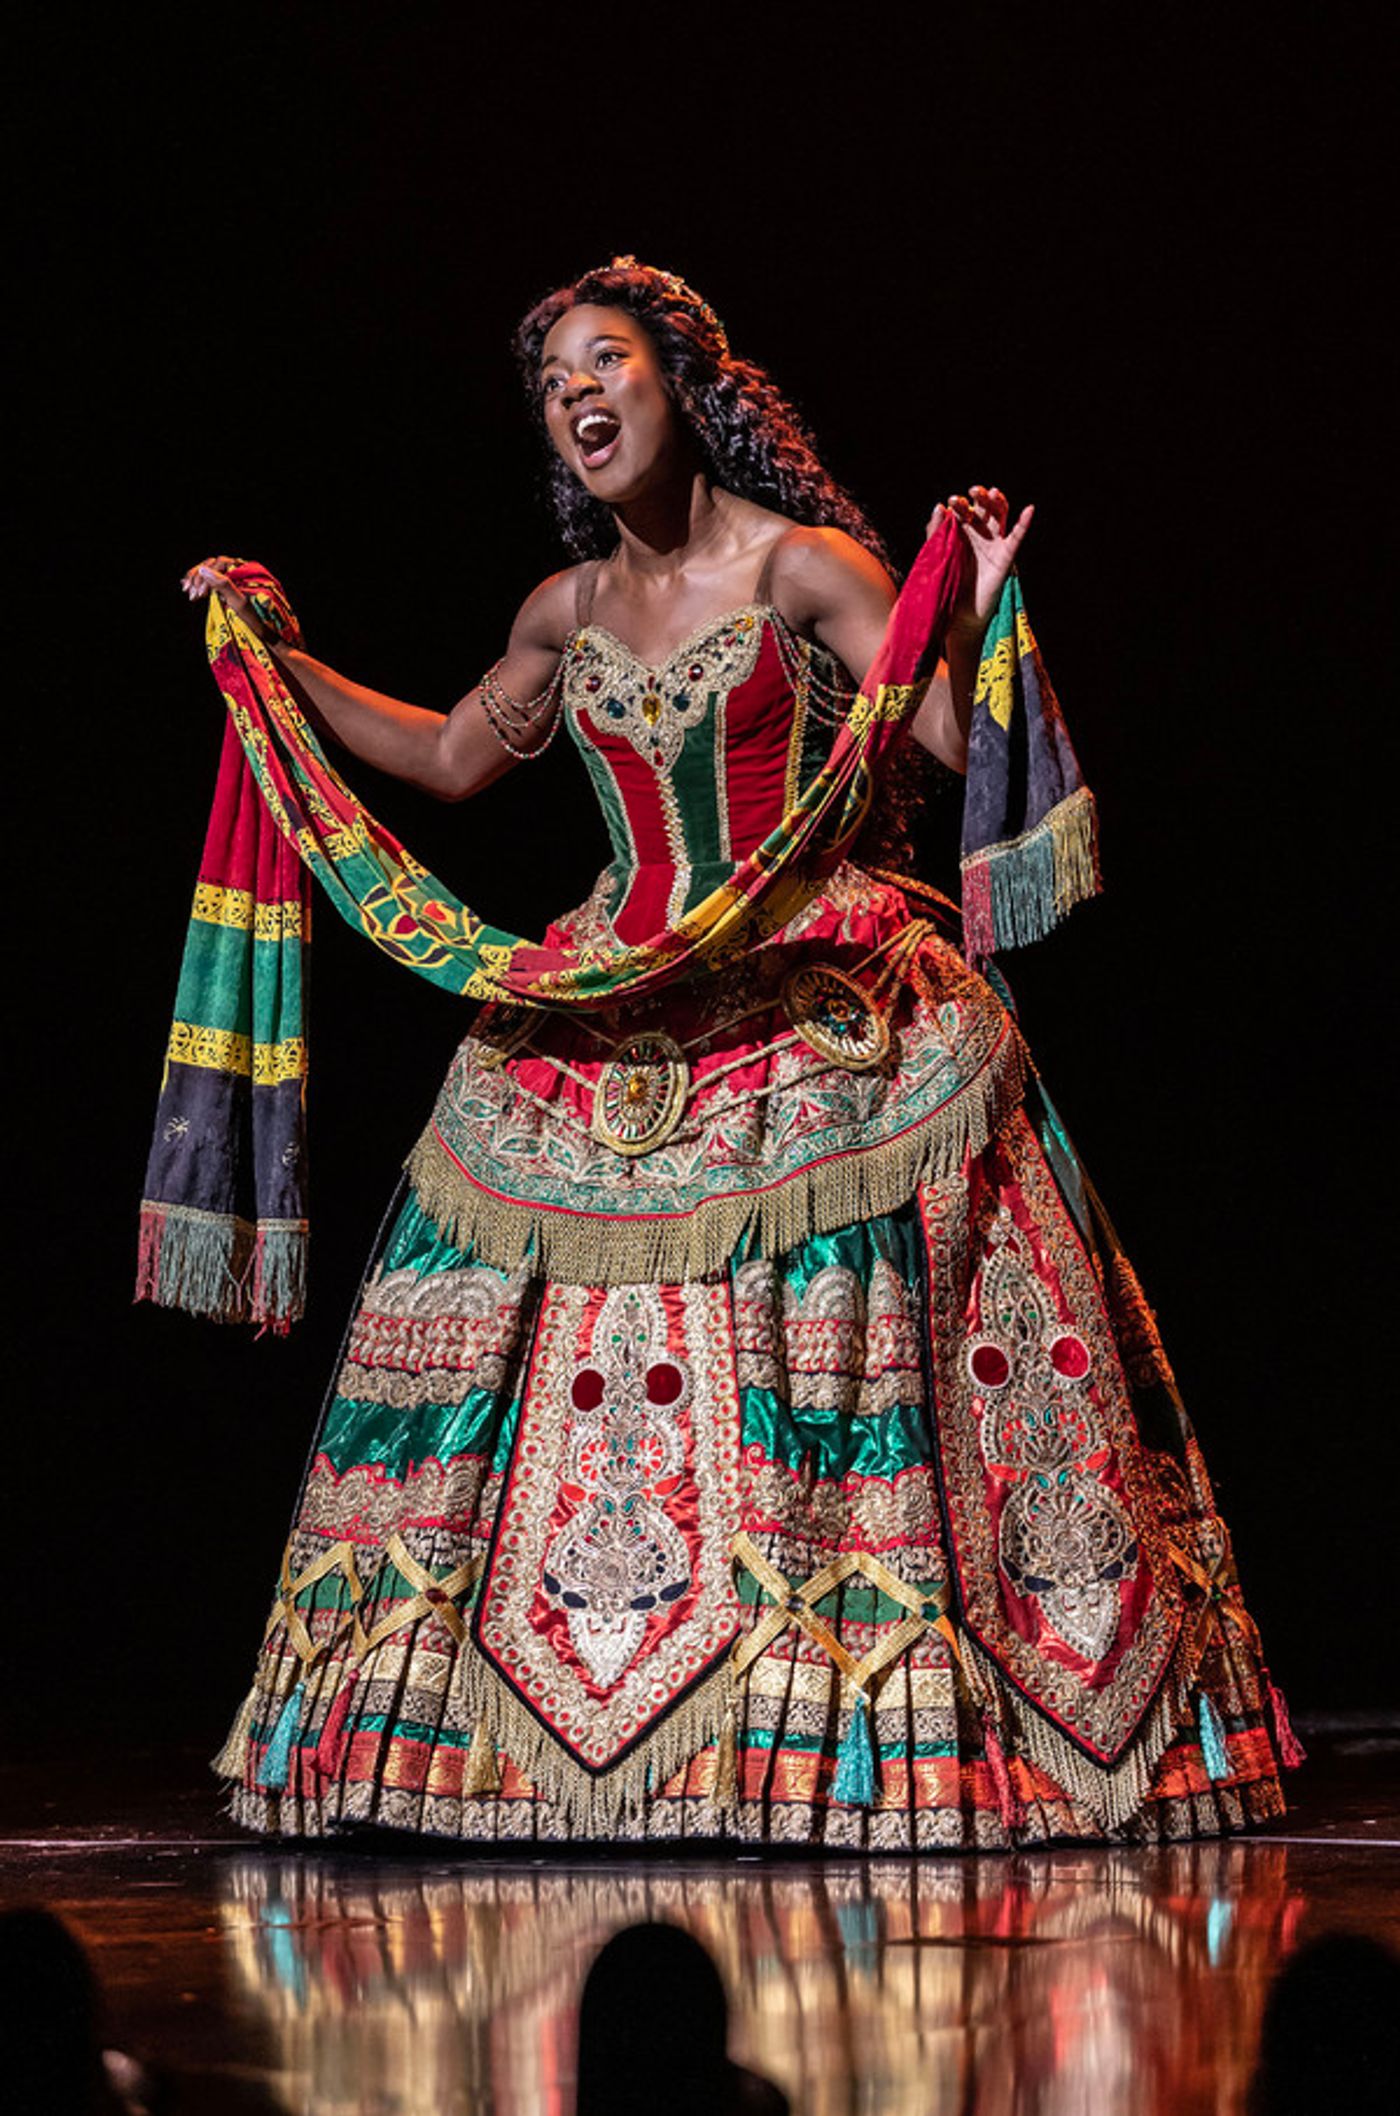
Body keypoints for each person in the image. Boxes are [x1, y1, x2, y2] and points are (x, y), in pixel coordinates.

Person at [173, 257, 1300, 1849]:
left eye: (605, 361)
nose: (577, 393)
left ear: (680, 387)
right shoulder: (560, 613)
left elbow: (955, 762)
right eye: (554, 376)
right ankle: (518, 1740)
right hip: (609, 1009)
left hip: (813, 1007)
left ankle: (841, 1729)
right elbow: (438, 752)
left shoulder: (804, 569)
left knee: (835, 1369)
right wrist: (266, 654)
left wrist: (963, 616)